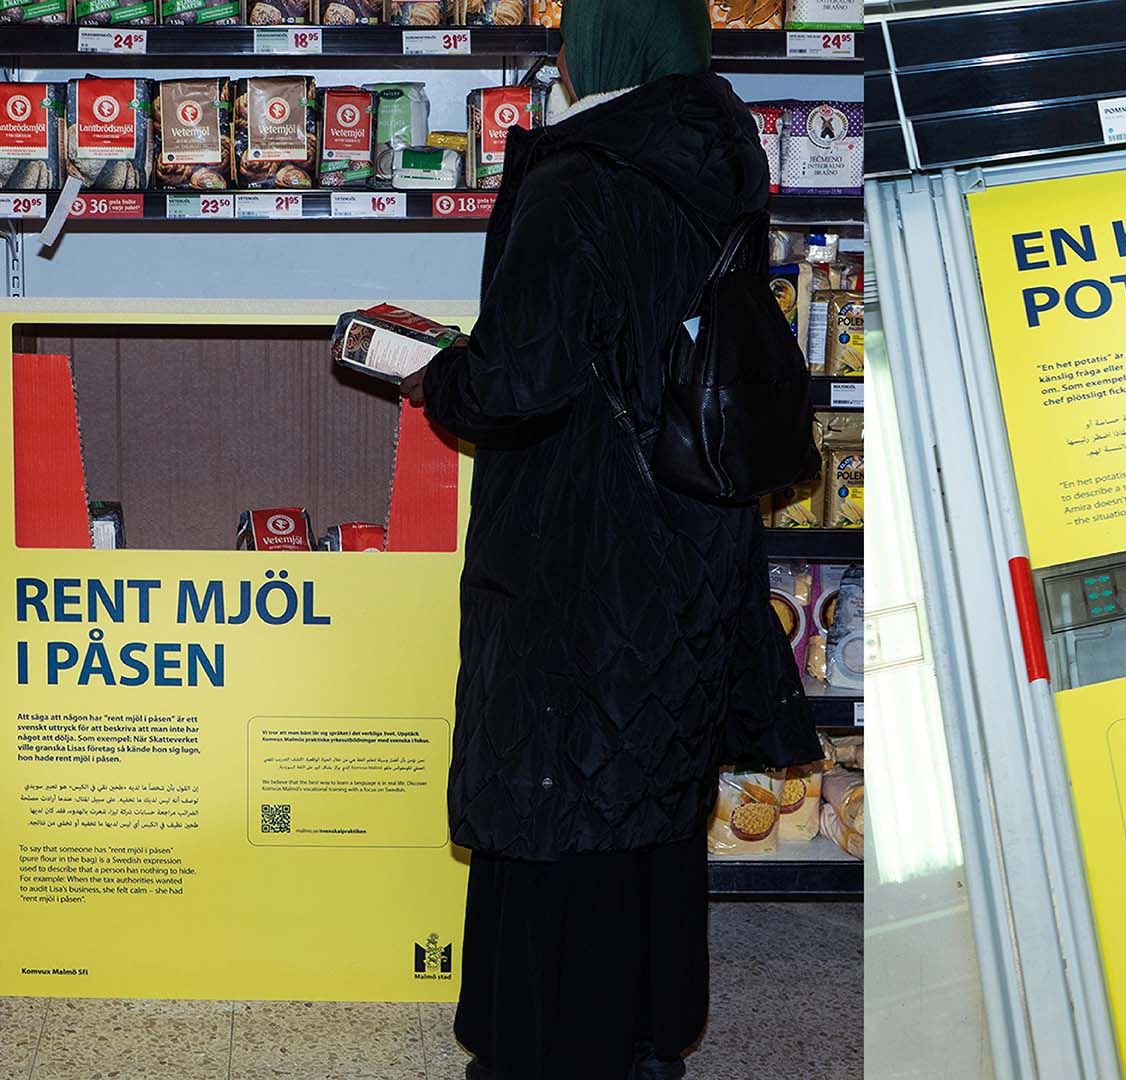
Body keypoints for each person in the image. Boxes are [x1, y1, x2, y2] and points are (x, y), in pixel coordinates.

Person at [399, 0, 822, 1075]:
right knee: (651, 793)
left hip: (577, 544)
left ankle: (551, 1046)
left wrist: (430, 366)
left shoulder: (582, 175)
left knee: (558, 794)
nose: (560, 46)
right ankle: (646, 1036)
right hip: (687, 533)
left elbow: (515, 382)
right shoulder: (717, 152)